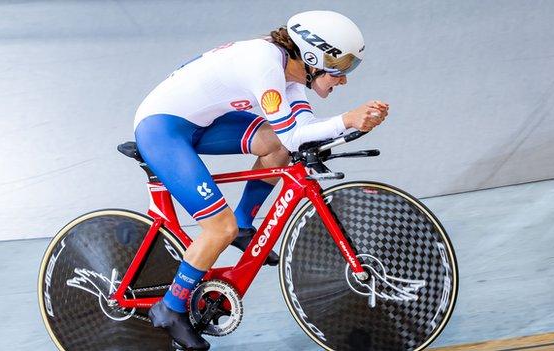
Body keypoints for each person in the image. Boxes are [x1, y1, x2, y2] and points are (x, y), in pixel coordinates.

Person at [134, 10, 389, 350]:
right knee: (217, 229)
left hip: (200, 121)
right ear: (312, 57)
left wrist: (354, 123)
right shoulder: (265, 64)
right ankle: (170, 307)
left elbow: (301, 132)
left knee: (277, 146)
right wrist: (347, 119)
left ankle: (243, 224)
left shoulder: (292, 74)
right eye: (340, 69)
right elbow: (297, 135)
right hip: (162, 128)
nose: (343, 80)